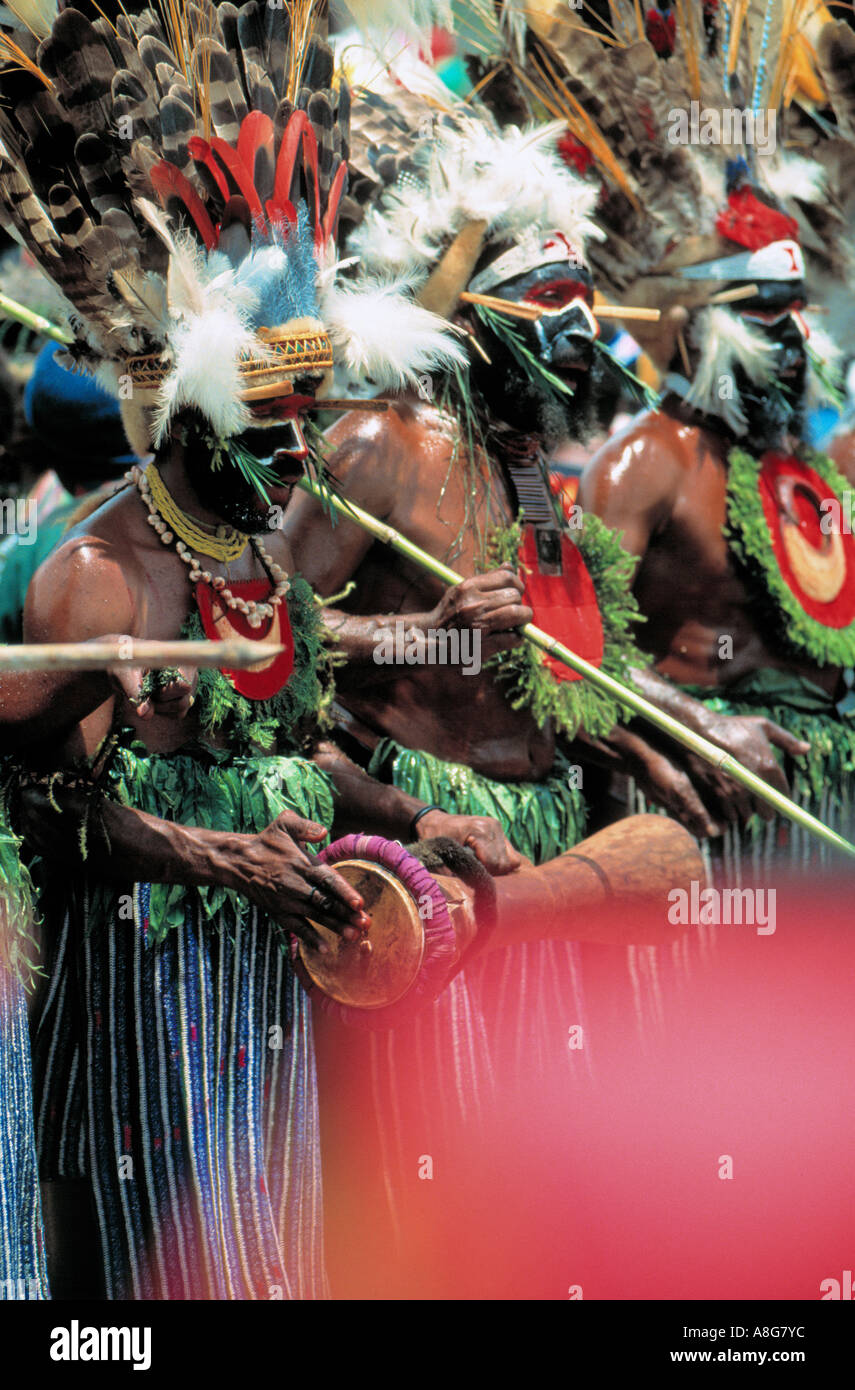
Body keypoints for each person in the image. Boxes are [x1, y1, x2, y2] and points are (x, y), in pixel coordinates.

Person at [0, 0, 505, 1300]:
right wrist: (217, 857)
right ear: (191, 412)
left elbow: (296, 747)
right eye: (271, 432)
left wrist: (418, 812)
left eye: (308, 428)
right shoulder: (100, 576)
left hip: (262, 998)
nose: (299, 466)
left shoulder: (261, 546)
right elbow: (56, 813)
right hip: (137, 1011)